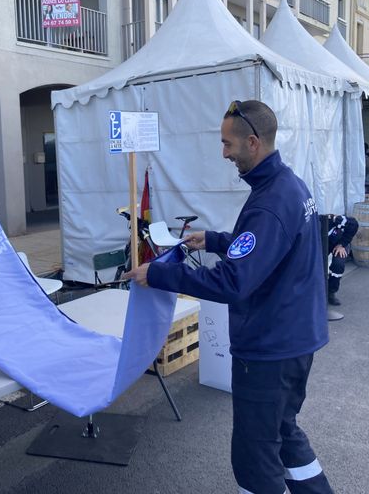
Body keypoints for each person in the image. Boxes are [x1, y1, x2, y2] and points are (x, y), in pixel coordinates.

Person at [123, 100, 333, 493]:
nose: (223, 154)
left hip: (269, 348)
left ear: (252, 143)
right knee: (284, 433)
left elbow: (233, 283)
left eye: (227, 144)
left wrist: (161, 273)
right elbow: (272, 249)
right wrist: (219, 239)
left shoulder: (269, 203)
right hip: (296, 339)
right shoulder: (288, 184)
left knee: (255, 459)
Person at [327, 214, 359, 306]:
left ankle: (331, 292)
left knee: (338, 264)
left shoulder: (337, 220)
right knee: (317, 266)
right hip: (323, 243)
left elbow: (354, 224)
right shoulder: (314, 228)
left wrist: (342, 244)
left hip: (340, 243)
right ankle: (316, 293)